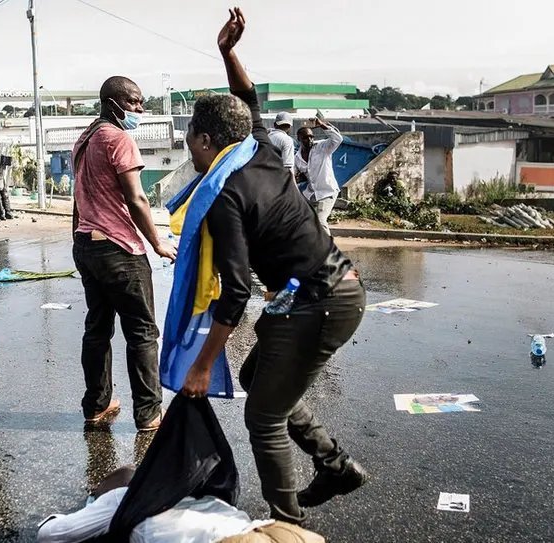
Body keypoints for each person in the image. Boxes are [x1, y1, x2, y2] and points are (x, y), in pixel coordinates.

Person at [178, 7, 369, 530]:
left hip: (319, 302)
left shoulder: (224, 192)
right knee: (254, 375)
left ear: (206, 142)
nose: (189, 146)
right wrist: (227, 52)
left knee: (263, 417)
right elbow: (247, 100)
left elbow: (235, 292)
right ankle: (335, 466)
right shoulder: (255, 149)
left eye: (191, 136)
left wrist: (200, 366)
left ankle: (287, 526)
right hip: (329, 292)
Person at [71, 75, 177, 432]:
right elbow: (137, 198)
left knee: (97, 330)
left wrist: (78, 239)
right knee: (143, 333)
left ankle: (96, 406)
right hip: (119, 250)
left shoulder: (85, 138)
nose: (140, 110)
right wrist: (158, 243)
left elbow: (79, 196)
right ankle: (149, 415)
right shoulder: (119, 139)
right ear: (113, 102)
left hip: (87, 245)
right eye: (134, 103)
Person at [37, 466, 324, 543]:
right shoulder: (202, 496)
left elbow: (49, 534)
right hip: (262, 531)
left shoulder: (119, 501)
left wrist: (90, 505)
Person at [294, 116, 343, 235]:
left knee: (320, 221)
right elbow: (292, 175)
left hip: (327, 192)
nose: (309, 140)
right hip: (311, 194)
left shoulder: (322, 147)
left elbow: (338, 139)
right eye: (305, 138)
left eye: (311, 137)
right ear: (299, 139)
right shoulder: (297, 158)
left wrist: (321, 125)